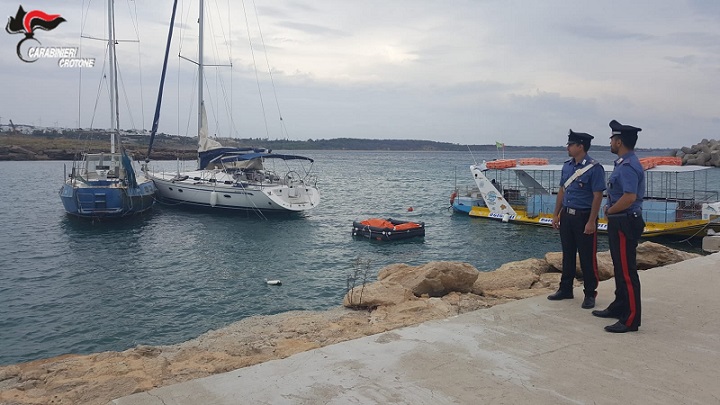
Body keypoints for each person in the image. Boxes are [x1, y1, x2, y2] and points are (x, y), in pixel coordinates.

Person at [592, 120, 645, 333]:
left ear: (619, 141)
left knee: (627, 271)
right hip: (620, 220)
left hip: (624, 220)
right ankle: (619, 306)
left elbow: (630, 197)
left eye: (612, 139)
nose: (611, 142)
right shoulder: (623, 163)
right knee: (619, 267)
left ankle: (631, 319)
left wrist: (610, 210)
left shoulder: (628, 166)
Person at [548, 130, 605, 309]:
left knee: (587, 257)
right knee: (568, 254)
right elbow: (562, 191)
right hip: (567, 215)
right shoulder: (567, 166)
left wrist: (591, 221)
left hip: (584, 216)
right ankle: (565, 288)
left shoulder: (595, 168)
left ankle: (590, 293)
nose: (568, 147)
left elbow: (597, 196)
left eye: (571, 144)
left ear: (581, 146)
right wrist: (556, 214)